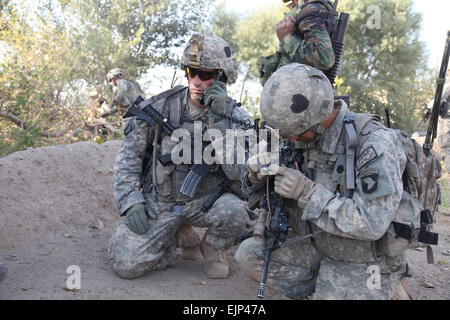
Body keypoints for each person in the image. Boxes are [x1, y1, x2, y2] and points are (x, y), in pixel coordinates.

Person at [235, 63, 412, 299]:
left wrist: (306, 192)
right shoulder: (297, 132)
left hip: (361, 254)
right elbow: (260, 195)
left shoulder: (374, 143)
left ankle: (385, 285)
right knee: (249, 256)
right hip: (314, 242)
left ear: (318, 120)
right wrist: (255, 177)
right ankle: (327, 287)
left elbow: (372, 222)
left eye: (294, 134)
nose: (290, 140)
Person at [108, 34, 253, 280]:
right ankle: (178, 234)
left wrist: (220, 122)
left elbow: (240, 175)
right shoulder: (160, 107)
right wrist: (131, 201)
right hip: (162, 203)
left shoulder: (237, 116)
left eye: (205, 74)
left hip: (208, 202)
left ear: (221, 77)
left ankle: (213, 246)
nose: (196, 81)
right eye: (190, 71)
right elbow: (128, 159)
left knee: (237, 213)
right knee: (126, 264)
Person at [259, 0, 335, 85]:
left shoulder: (310, 9)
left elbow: (323, 58)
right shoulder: (302, 8)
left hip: (298, 90)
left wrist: (287, 38)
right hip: (289, 89)